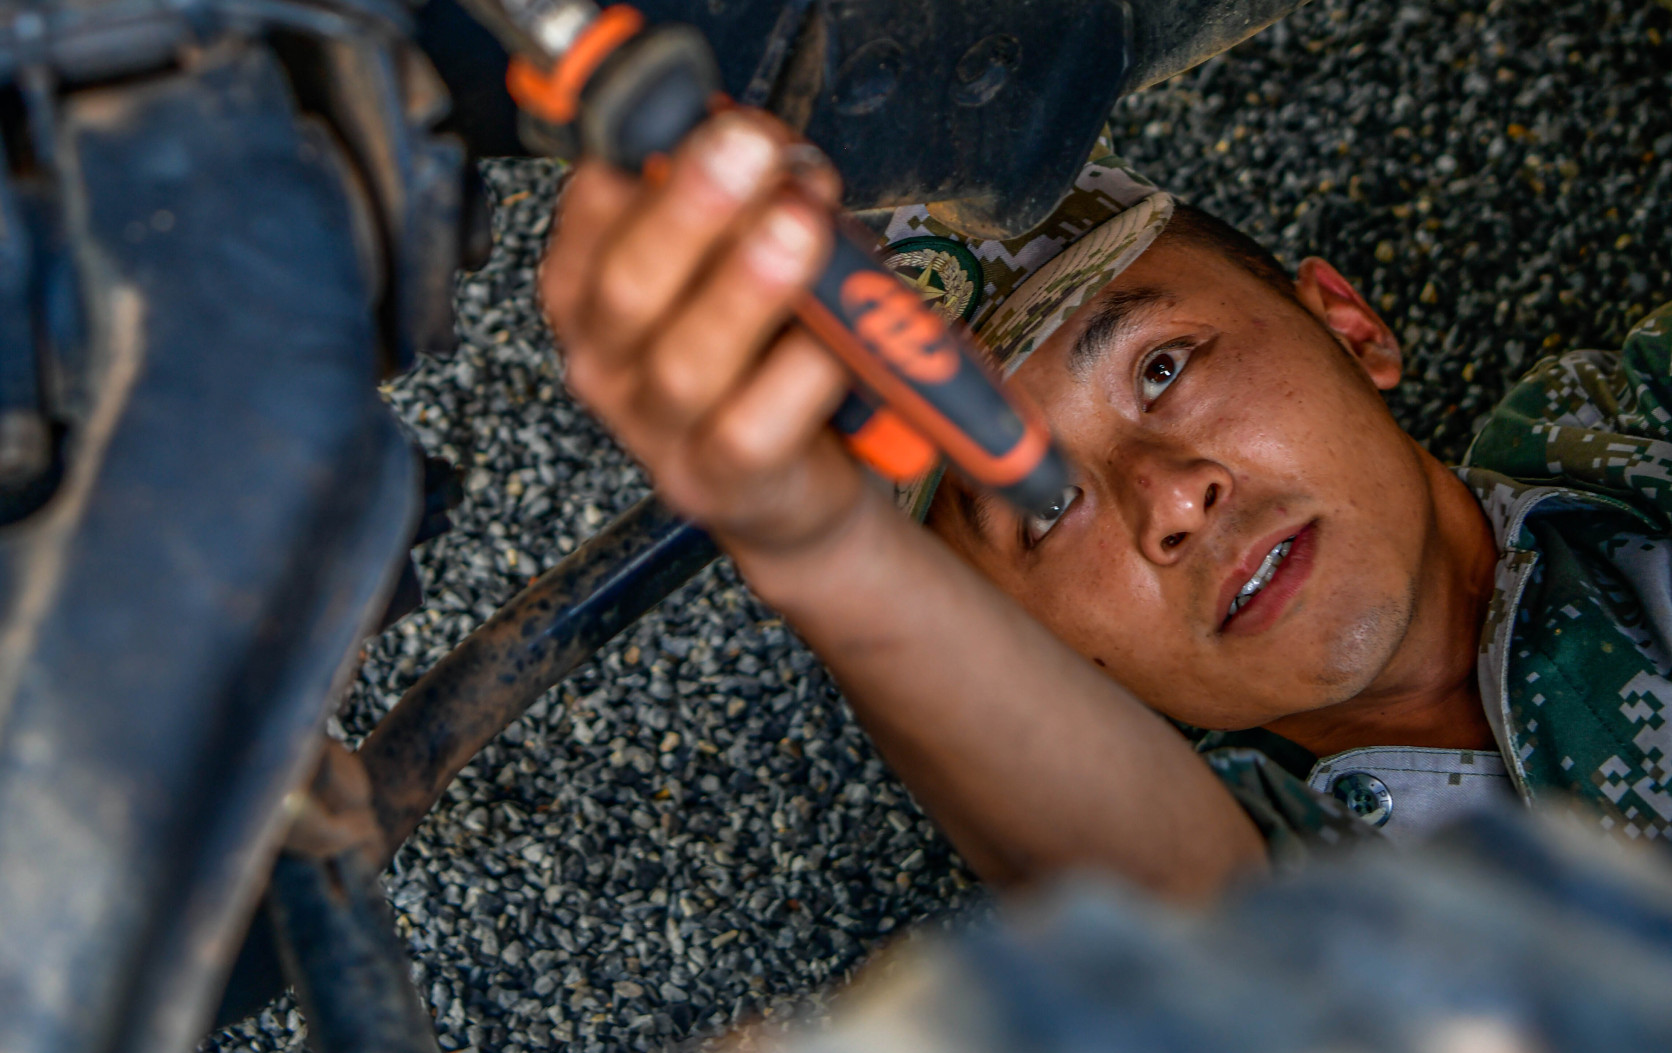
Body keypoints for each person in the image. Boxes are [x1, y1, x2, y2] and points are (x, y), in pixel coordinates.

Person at [541, 108, 1672, 899]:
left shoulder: (1633, 437)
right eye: (1039, 511)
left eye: (1161, 369)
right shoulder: (1317, 943)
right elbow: (1191, 911)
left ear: (1347, 324)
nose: (1168, 501)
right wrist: (820, 550)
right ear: (1039, 651)